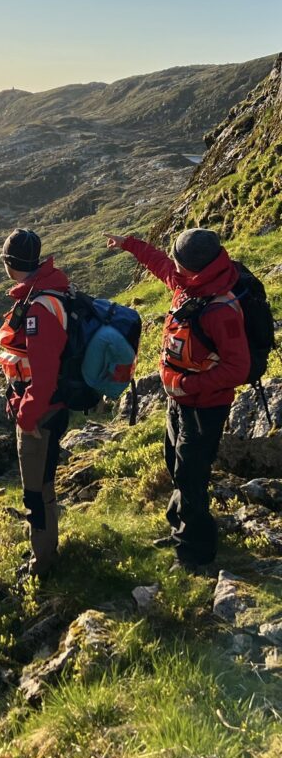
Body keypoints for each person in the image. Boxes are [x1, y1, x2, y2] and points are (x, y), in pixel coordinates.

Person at [105, 228, 250, 573]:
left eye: (178, 262)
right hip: (181, 400)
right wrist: (130, 245)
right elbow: (158, 263)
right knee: (175, 462)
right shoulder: (189, 285)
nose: (173, 266)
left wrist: (189, 385)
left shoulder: (221, 309)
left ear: (192, 267)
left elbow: (238, 368)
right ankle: (180, 526)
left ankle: (196, 553)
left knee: (191, 474)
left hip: (205, 406)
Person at [0, 228, 70, 581]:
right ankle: (47, 551)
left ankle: (44, 565)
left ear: (10, 264)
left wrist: (26, 417)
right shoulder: (46, 292)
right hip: (48, 407)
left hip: (41, 412)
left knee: (35, 492)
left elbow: (43, 378)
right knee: (44, 484)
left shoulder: (38, 309)